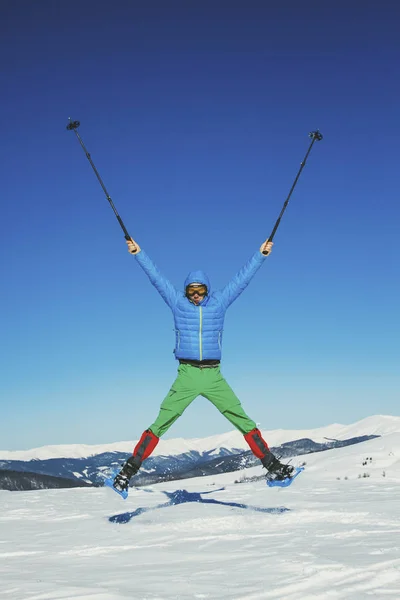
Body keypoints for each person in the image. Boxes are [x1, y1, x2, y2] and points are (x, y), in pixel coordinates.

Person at [112, 237, 294, 493]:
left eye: (200, 291)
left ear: (207, 290)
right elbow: (156, 277)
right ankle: (126, 474)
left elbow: (242, 280)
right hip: (186, 375)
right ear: (185, 291)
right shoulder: (177, 304)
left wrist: (261, 255)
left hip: (213, 376)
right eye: (191, 291)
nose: (196, 296)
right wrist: (138, 252)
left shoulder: (219, 304)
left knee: (242, 419)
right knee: (161, 422)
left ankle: (273, 467)